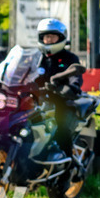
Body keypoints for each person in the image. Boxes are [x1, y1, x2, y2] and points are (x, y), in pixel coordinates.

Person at [34, 18, 84, 157]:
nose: (49, 40)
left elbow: (75, 76)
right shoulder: (36, 58)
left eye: (52, 36)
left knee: (61, 127)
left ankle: (68, 161)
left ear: (61, 38)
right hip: (37, 100)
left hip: (61, 101)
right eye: (46, 36)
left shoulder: (70, 58)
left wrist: (72, 87)